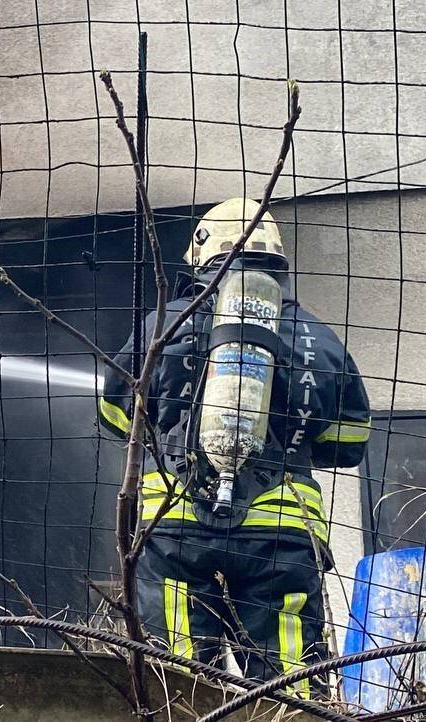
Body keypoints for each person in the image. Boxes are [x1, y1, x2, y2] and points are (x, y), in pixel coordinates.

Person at [97, 198, 371, 697]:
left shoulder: (164, 325)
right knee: (291, 684)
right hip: (281, 531)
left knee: (178, 678)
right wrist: (291, 433)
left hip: (175, 525)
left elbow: (115, 417)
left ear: (203, 255)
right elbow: (349, 442)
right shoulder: (319, 339)